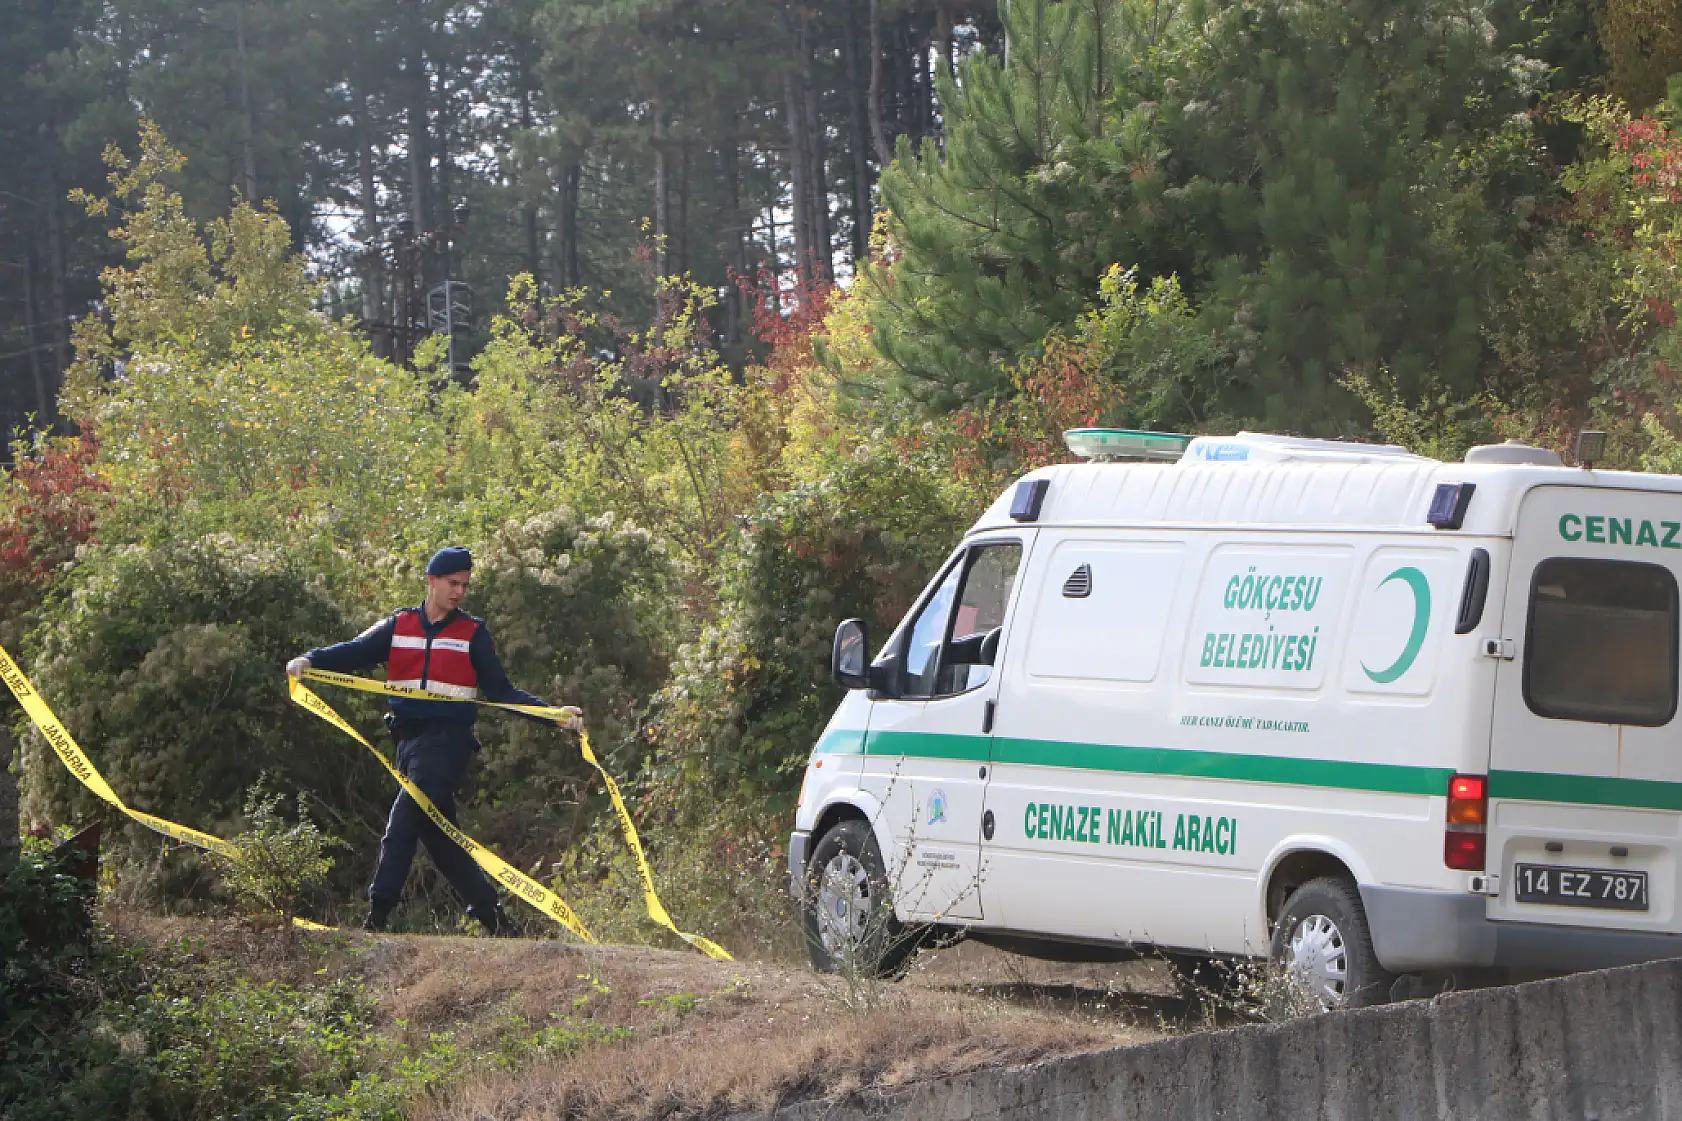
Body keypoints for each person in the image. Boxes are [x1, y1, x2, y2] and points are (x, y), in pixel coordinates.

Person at [286, 545, 579, 935]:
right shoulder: (399, 625)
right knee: (440, 837)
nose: (459, 592)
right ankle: (497, 921)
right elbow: (355, 651)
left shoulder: (473, 634)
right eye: (452, 583)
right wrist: (310, 659)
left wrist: (552, 717)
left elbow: (502, 692)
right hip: (406, 742)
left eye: (464, 585)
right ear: (431, 581)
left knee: (403, 820)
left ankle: (376, 918)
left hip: (447, 744)